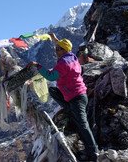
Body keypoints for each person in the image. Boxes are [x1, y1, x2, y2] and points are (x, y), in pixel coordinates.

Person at [27, 33, 99, 161]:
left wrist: (37, 66)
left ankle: (94, 152)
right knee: (53, 90)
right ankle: (70, 109)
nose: (56, 51)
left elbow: (51, 76)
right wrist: (55, 39)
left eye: (58, 49)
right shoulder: (72, 57)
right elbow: (63, 45)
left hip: (75, 97)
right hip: (78, 95)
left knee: (83, 125)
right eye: (56, 48)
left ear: (64, 50)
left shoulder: (64, 63)